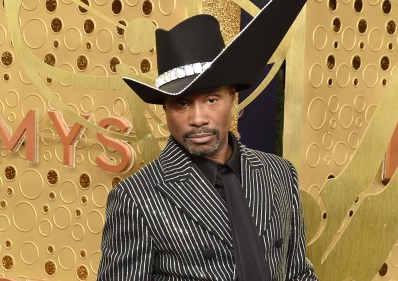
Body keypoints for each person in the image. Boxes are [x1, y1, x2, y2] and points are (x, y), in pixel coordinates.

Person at [97, 0, 318, 279]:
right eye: (182, 103)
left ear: (232, 97)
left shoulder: (280, 174)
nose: (198, 118)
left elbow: (298, 273)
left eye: (211, 99)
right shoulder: (136, 198)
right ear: (165, 109)